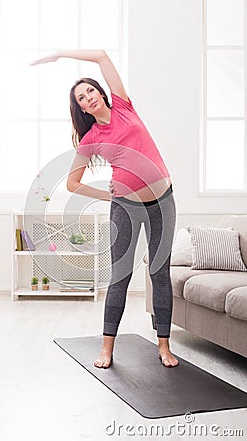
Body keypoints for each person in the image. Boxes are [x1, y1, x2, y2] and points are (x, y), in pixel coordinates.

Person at [31, 50, 179, 368]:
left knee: (160, 273)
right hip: (125, 206)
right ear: (81, 108)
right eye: (81, 98)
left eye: (90, 91)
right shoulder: (92, 138)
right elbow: (72, 183)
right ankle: (107, 347)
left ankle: (164, 346)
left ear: (100, 92)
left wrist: (60, 55)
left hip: (163, 201)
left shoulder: (124, 106)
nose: (88, 98)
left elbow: (101, 56)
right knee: (120, 276)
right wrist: (106, 196)